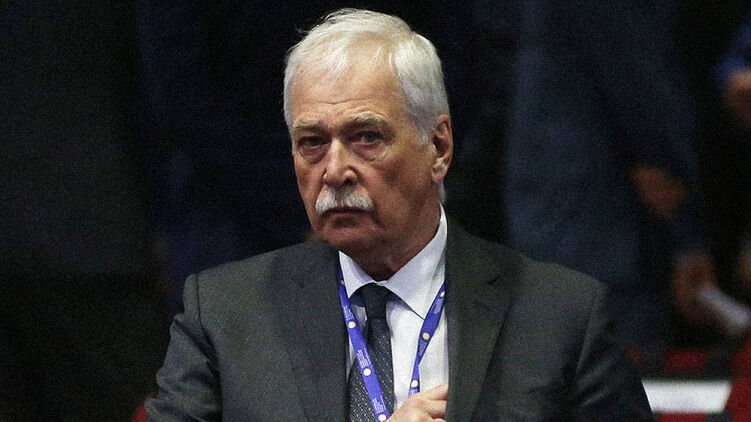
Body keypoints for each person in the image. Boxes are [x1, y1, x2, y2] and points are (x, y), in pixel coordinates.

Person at [146, 9, 651, 421]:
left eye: (366, 137)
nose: (335, 171)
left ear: (438, 147)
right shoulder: (224, 316)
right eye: (312, 143)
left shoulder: (559, 318)